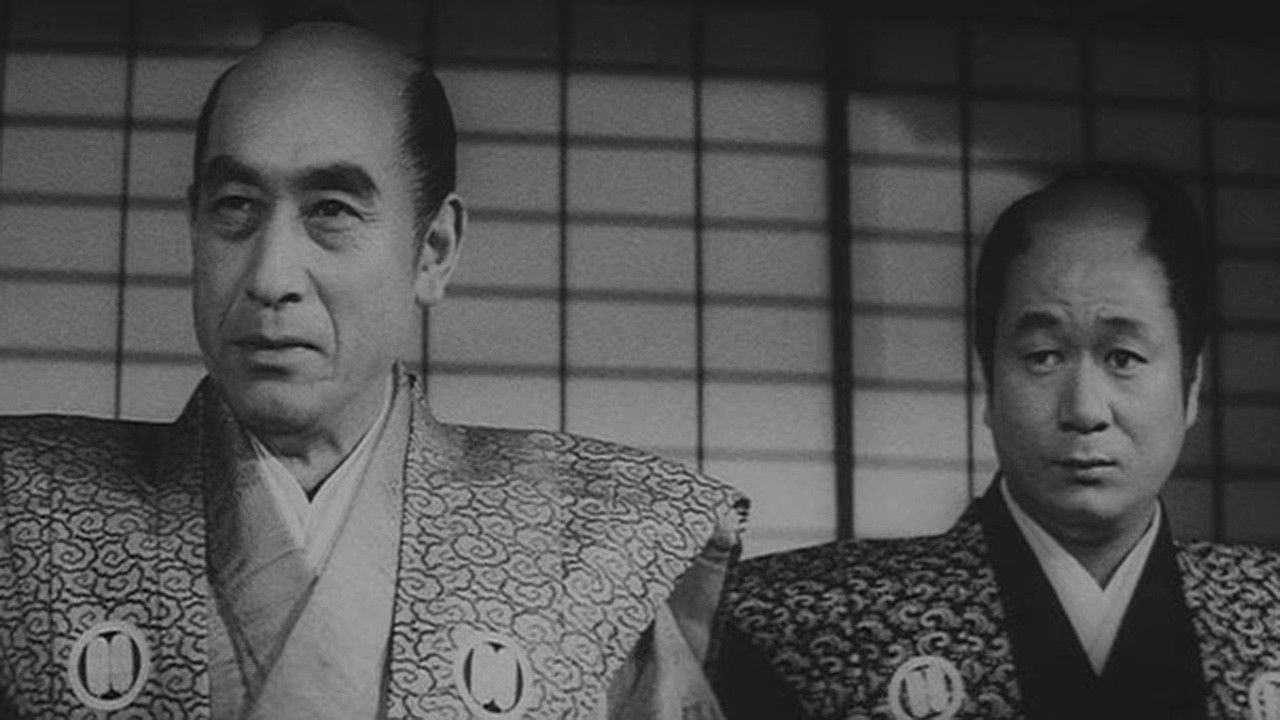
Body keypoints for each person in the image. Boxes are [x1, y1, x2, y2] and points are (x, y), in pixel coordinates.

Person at [0, 21, 745, 719]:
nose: (270, 276)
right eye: (235, 205)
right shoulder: (26, 517)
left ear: (434, 251)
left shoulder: (596, 540)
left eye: (331, 209)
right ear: (194, 225)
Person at [712, 162, 1280, 719]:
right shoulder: (804, 621)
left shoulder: (1267, 612)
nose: (1085, 409)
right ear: (990, 381)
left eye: (1124, 358)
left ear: (1191, 385)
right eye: (1043, 357)